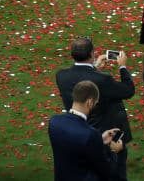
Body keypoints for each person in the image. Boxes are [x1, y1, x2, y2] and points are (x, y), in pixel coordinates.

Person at [55, 37, 134, 181]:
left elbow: (83, 83)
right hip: (104, 138)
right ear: (92, 54)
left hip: (76, 135)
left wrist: (95, 69)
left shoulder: (61, 76)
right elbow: (128, 91)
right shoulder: (102, 80)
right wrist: (122, 67)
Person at [49, 80, 122, 181]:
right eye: (95, 103)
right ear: (90, 102)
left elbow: (74, 144)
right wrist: (114, 151)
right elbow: (106, 171)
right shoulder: (90, 134)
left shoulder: (54, 122)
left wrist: (99, 140)